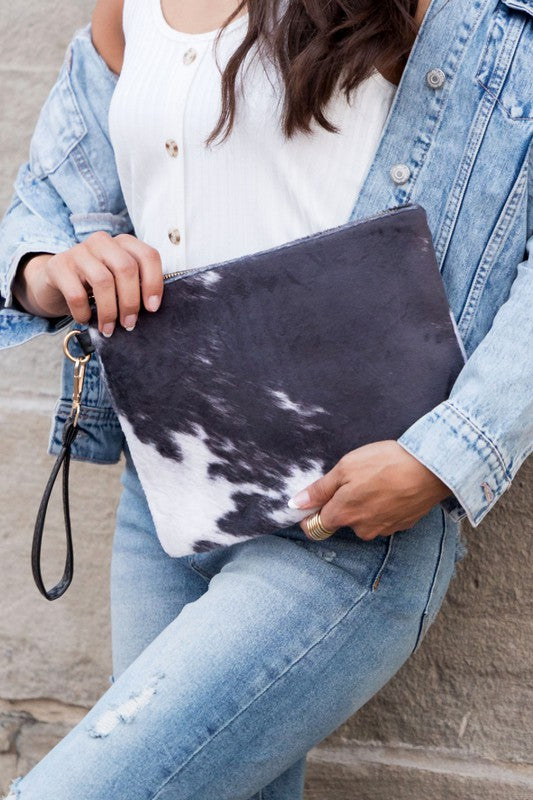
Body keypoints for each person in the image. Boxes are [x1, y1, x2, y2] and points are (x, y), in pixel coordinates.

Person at [0, 0, 531, 798]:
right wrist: (46, 270)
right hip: (168, 498)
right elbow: (51, 192)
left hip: (346, 510)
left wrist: (446, 456)